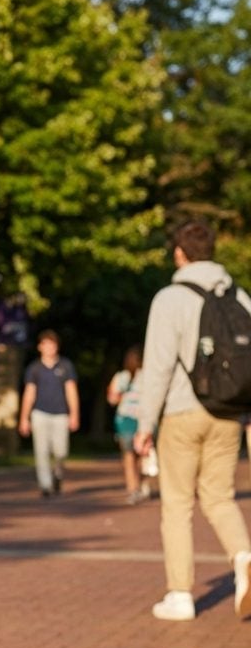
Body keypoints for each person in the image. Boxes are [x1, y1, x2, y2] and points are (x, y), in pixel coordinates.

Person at [134, 220, 251, 622]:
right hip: (228, 412)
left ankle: (180, 594)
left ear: (179, 253)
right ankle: (244, 557)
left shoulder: (171, 297)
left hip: (183, 412)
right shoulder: (240, 296)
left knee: (178, 503)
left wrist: (145, 423)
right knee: (219, 496)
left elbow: (159, 365)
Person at [18, 329, 80, 496]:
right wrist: (24, 418)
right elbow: (29, 393)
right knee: (41, 451)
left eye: (52, 344)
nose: (50, 348)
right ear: (40, 347)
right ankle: (45, 485)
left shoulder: (65, 366)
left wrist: (74, 414)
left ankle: (58, 474)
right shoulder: (34, 369)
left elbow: (71, 391)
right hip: (40, 414)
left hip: (60, 414)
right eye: (46, 344)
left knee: (61, 451)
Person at [107, 346, 153, 504]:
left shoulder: (121, 377)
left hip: (125, 419)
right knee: (143, 454)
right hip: (144, 419)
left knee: (128, 456)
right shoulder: (150, 376)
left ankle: (132, 488)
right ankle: (143, 485)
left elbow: (112, 399)